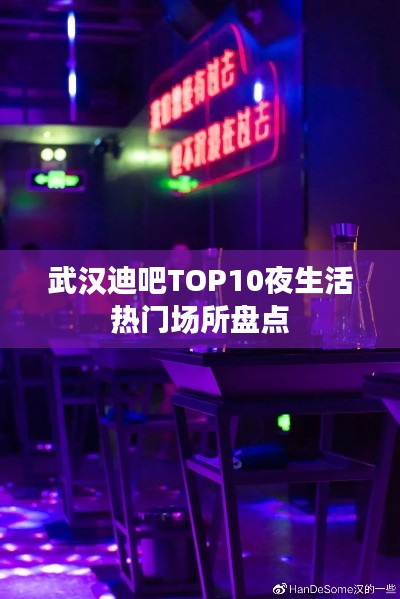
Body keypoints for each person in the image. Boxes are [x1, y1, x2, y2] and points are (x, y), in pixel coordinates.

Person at [5, 243, 63, 315]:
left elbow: (10, 305)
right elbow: (61, 304)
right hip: (49, 320)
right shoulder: (51, 278)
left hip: (29, 320)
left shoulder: (21, 279)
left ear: (24, 259)